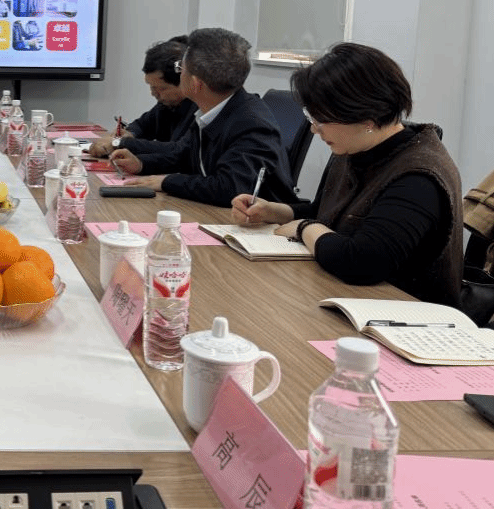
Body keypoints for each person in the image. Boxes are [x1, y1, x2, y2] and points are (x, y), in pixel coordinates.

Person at [231, 42, 463, 307]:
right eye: (311, 116)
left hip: (404, 317)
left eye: (321, 119)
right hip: (348, 299)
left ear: (367, 118)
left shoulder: (419, 177)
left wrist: (305, 228)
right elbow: (326, 213)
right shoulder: (356, 146)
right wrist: (272, 211)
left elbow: (362, 262)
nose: (314, 129)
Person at [110, 27, 297, 206]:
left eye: (180, 68)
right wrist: (141, 164)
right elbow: (182, 154)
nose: (178, 73)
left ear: (195, 83)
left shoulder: (253, 124)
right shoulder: (213, 109)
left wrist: (167, 181)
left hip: (257, 225)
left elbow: (230, 188)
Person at [88, 36, 196, 158]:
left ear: (184, 82)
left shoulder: (201, 108)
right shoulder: (167, 105)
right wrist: (127, 134)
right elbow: (141, 126)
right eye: (151, 86)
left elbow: (178, 150)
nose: (153, 93)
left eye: (161, 88)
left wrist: (120, 143)